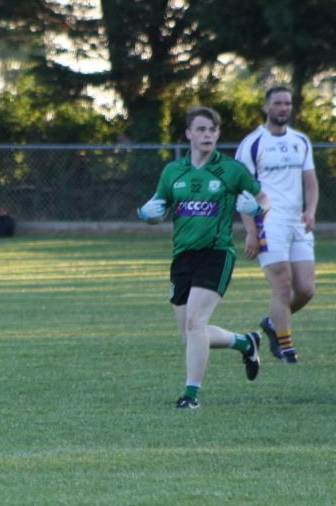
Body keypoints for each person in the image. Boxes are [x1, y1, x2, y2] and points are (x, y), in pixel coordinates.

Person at [137, 106, 270, 409]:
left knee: (196, 322)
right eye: (201, 129)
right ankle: (244, 342)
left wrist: (258, 210)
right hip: (183, 256)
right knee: (190, 334)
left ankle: (191, 396)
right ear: (188, 134)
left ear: (217, 134)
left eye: (212, 130)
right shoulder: (173, 172)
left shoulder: (231, 170)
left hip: (216, 252)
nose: (207, 135)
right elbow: (159, 208)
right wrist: (148, 215)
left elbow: (263, 198)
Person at [234, 86, 319, 363]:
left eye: (287, 104)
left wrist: (310, 210)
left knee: (306, 289)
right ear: (266, 107)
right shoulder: (252, 143)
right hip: (269, 222)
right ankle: (286, 348)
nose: (284, 108)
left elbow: (310, 180)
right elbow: (242, 191)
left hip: (298, 223)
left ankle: (272, 324)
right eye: (278, 103)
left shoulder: (301, 141)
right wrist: (250, 230)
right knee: (282, 285)